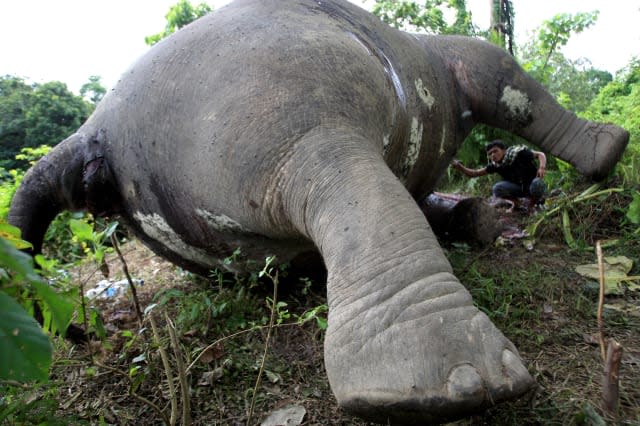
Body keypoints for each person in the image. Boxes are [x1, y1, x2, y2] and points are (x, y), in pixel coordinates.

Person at [451, 140, 547, 210]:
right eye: (490, 153)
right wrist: (459, 167)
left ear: (504, 150)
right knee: (497, 188)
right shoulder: (495, 165)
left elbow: (540, 154)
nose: (493, 155)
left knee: (537, 184)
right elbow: (474, 173)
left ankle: (531, 205)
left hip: (532, 185)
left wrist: (542, 167)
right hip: (519, 188)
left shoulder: (518, 153)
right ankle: (517, 203)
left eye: (495, 151)